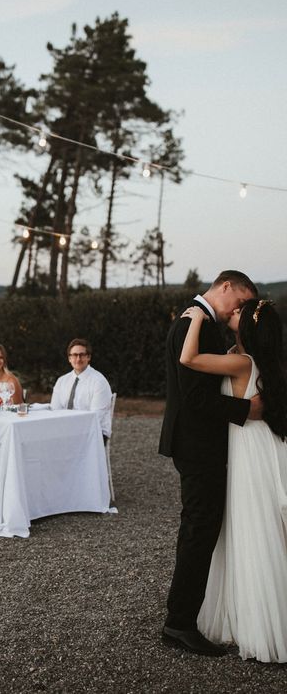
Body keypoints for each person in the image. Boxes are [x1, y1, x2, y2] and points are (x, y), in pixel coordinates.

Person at [179, 299, 287, 663]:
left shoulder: (241, 363)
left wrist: (195, 320)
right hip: (257, 447)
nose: (231, 313)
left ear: (250, 328)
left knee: (253, 530)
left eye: (240, 313)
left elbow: (189, 359)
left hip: (249, 455)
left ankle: (262, 625)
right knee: (259, 529)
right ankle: (256, 617)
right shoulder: (254, 361)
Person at [158, 270, 259, 656]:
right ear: (226, 286)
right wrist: (246, 409)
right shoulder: (192, 325)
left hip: (196, 444)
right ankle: (179, 623)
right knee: (199, 530)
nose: (240, 310)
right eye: (240, 302)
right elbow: (194, 399)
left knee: (200, 528)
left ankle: (184, 617)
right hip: (197, 446)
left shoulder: (197, 322)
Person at [50, 338, 113, 442]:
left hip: (94, 433)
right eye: (74, 355)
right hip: (66, 431)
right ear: (69, 358)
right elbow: (55, 410)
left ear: (88, 357)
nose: (78, 359)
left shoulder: (99, 382)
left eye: (82, 355)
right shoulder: (62, 381)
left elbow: (95, 418)